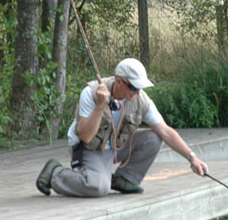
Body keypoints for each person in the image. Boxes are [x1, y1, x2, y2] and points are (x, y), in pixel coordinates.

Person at [36, 58, 209, 197]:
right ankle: (55, 173)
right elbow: (85, 136)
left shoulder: (141, 99)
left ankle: (124, 179)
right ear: (119, 81)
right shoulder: (90, 93)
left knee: (154, 138)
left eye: (140, 88)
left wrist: (192, 158)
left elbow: (165, 130)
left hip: (117, 146)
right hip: (89, 148)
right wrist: (100, 106)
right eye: (134, 87)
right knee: (97, 188)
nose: (137, 93)